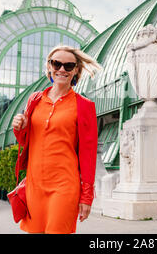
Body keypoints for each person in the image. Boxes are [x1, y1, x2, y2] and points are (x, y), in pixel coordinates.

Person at [12, 45, 101, 234]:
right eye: (57, 64)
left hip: (64, 185)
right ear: (49, 66)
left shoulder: (84, 106)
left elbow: (88, 153)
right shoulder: (34, 100)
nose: (62, 69)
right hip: (35, 185)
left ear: (76, 70)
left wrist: (86, 197)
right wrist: (19, 127)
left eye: (69, 66)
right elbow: (27, 142)